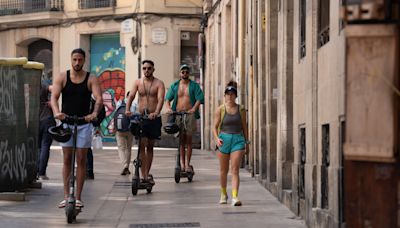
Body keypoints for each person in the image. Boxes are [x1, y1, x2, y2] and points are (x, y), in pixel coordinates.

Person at [51, 48, 103, 208]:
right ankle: (66, 196)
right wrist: (57, 112)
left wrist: (94, 113)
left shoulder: (91, 78)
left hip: (84, 123)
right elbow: (53, 97)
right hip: (66, 123)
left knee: (81, 160)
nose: (77, 63)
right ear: (71, 59)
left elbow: (99, 98)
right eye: (74, 60)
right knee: (67, 160)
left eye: (80, 60)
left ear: (84, 60)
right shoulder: (62, 77)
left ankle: (78, 197)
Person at [125, 60, 165, 185]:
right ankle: (143, 175)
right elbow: (131, 96)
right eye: (144, 68)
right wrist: (127, 109)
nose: (146, 70)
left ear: (153, 69)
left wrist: (156, 112)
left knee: (150, 146)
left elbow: (160, 99)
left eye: (149, 68)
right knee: (142, 144)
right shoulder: (137, 82)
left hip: (153, 118)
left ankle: (147, 173)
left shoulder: (159, 83)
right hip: (141, 117)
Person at [212, 81, 249, 206]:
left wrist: (247, 142)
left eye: (232, 94)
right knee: (223, 170)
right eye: (228, 94)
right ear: (225, 96)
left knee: (235, 170)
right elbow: (214, 126)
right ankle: (223, 194)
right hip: (224, 140)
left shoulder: (241, 109)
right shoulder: (220, 109)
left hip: (238, 140)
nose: (230, 96)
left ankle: (235, 196)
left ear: (236, 96)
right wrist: (216, 139)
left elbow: (244, 127)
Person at [164, 64, 204, 173]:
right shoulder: (175, 86)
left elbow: (199, 98)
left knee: (189, 140)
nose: (184, 74)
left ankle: (187, 164)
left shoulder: (194, 86)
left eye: (186, 72)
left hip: (189, 114)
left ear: (189, 73)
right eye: (183, 72)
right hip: (178, 114)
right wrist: (168, 108)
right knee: (181, 140)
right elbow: (167, 99)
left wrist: (194, 109)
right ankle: (182, 164)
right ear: (180, 73)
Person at [115, 91, 137, 175]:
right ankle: (126, 166)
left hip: (119, 129)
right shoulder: (134, 104)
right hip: (129, 129)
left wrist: (115, 127)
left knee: (121, 148)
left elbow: (115, 115)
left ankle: (125, 166)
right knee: (128, 148)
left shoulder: (120, 103)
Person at [37, 82, 56, 180]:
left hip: (35, 122)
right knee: (45, 146)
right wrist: (52, 101)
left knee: (38, 147)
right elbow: (55, 88)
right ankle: (41, 173)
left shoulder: (27, 87)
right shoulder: (42, 85)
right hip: (47, 119)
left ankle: (36, 172)